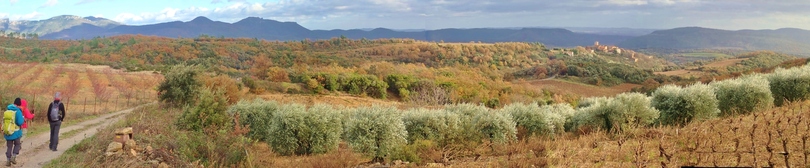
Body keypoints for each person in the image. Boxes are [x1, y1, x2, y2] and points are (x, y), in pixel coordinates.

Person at [4, 98, 24, 166]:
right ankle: (14, 156)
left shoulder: (8, 109)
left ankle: (8, 161)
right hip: (16, 133)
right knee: (17, 144)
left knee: (9, 147)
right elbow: (20, 122)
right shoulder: (18, 111)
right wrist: (23, 119)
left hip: (8, 132)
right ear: (19, 104)